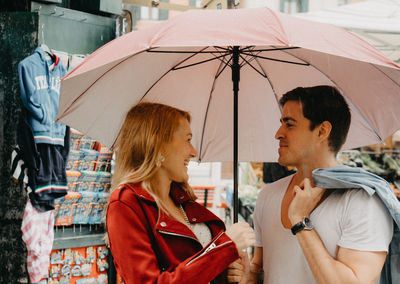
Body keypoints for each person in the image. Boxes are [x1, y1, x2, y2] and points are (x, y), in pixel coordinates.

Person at [229, 85, 395, 284]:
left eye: (289, 124)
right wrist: (249, 276)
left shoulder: (363, 201)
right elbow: (261, 269)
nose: (278, 133)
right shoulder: (268, 195)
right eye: (281, 123)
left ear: (322, 131)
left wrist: (300, 221)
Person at [106, 102, 255, 283]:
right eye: (188, 139)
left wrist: (231, 273)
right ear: (159, 144)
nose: (193, 152)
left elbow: (201, 269)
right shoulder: (126, 204)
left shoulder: (183, 201)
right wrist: (224, 248)